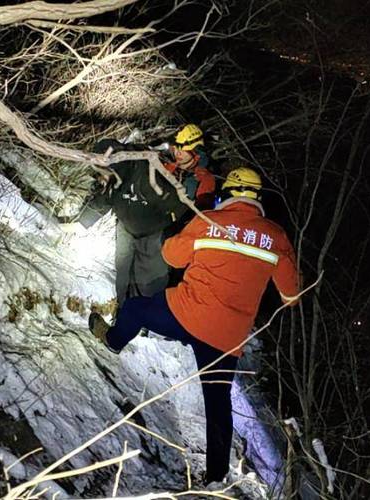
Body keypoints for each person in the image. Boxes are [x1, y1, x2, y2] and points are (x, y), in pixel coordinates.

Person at [88, 166, 301, 484]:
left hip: (184, 313)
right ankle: (216, 477)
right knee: (217, 404)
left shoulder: (209, 221)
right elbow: (292, 295)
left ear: (227, 193)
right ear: (257, 198)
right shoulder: (275, 236)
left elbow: (171, 257)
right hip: (226, 338)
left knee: (134, 308)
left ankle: (114, 339)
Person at [76, 125, 215, 304]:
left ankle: (144, 321)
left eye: (184, 149)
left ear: (196, 151)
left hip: (160, 233)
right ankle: (123, 310)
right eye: (177, 147)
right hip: (130, 225)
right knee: (124, 271)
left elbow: (199, 216)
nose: (178, 153)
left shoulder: (202, 179)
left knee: (149, 282)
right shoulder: (164, 163)